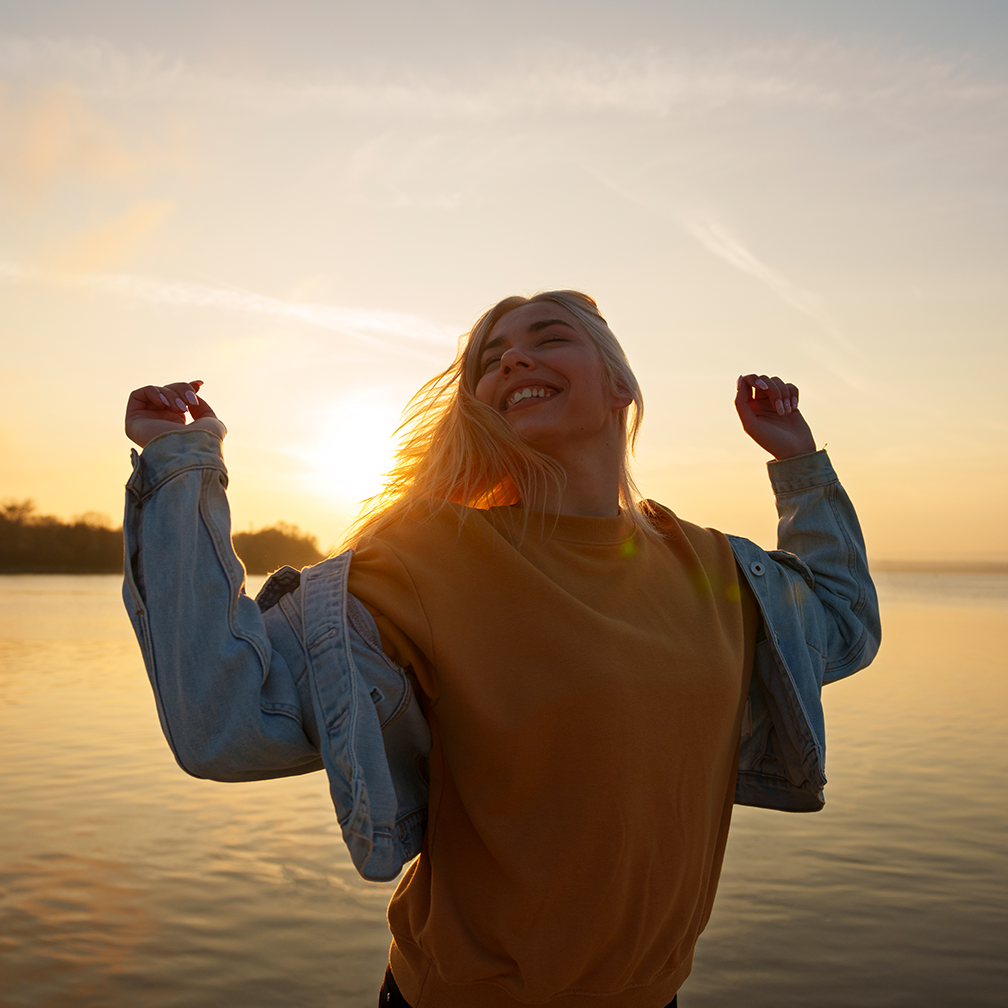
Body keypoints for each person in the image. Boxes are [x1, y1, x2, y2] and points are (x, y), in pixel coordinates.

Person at [123, 290, 880, 1008]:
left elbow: (843, 627)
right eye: (492, 359)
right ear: (478, 407)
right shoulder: (428, 560)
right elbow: (225, 722)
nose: (513, 361)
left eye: (550, 339)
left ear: (621, 386)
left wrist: (798, 462)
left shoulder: (715, 568)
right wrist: (180, 466)